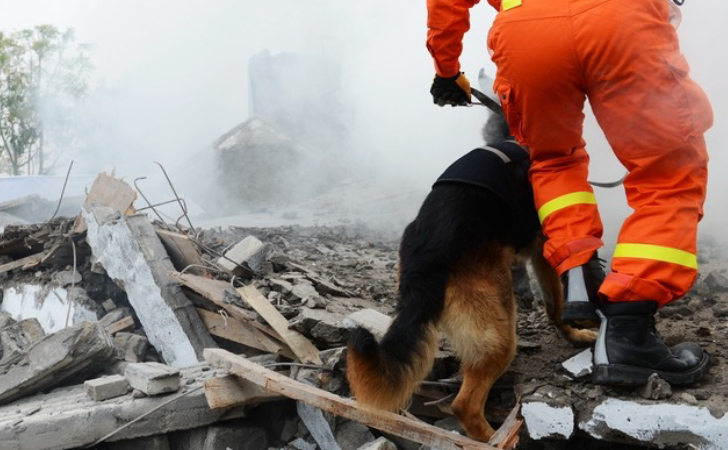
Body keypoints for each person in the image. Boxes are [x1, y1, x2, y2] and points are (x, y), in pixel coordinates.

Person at [426, 0, 713, 386]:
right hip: (617, 18)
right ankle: (629, 332)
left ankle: (579, 276)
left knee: (554, 161)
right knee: (668, 171)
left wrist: (447, 70)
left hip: (526, 32)